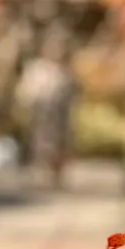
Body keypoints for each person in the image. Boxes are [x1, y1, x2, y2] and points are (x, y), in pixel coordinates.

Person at [17, 46, 75, 186]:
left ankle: (57, 174)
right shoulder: (37, 70)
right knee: (41, 142)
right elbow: (27, 91)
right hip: (41, 113)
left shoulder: (64, 71)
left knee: (59, 144)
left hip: (59, 114)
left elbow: (71, 93)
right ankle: (41, 172)